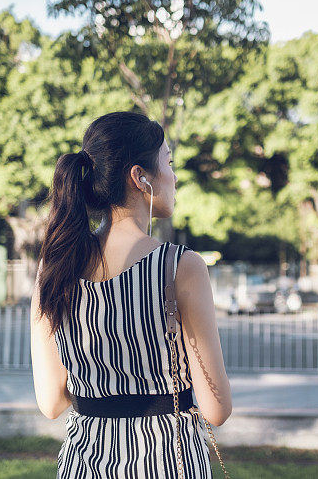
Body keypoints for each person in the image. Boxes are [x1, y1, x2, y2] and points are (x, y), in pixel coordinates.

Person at [30, 111, 232, 478]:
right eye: (168, 163)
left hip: (85, 465)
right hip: (167, 463)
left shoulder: (56, 268)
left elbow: (51, 403)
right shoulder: (180, 267)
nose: (174, 176)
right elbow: (216, 410)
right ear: (140, 177)